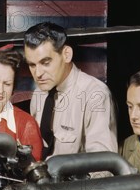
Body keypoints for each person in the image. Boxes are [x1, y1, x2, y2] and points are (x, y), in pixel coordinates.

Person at [23, 21, 117, 158]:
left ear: (66, 54)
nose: (38, 74)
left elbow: (104, 165)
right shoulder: (39, 94)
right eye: (32, 65)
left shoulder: (95, 95)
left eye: (46, 63)